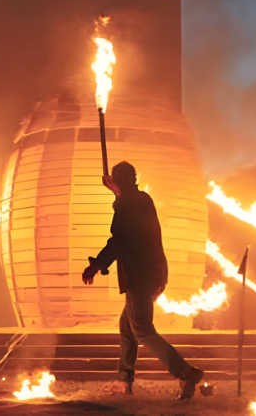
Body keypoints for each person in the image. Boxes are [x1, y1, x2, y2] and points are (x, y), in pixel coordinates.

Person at [82, 161, 204, 400]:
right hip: (153, 274)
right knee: (127, 327)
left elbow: (120, 239)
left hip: (140, 277)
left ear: (119, 181)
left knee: (142, 330)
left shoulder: (128, 204)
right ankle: (124, 379)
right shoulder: (141, 199)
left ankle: (185, 371)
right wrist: (118, 192)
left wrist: (96, 264)